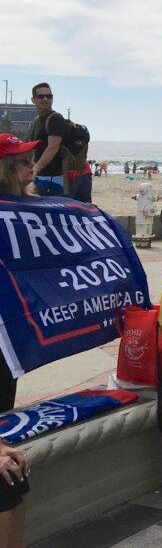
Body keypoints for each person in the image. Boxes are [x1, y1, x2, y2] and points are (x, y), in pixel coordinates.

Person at [0, 134, 38, 412]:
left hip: (13, 319)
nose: (32, 166)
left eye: (32, 159)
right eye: (24, 161)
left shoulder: (29, 207)